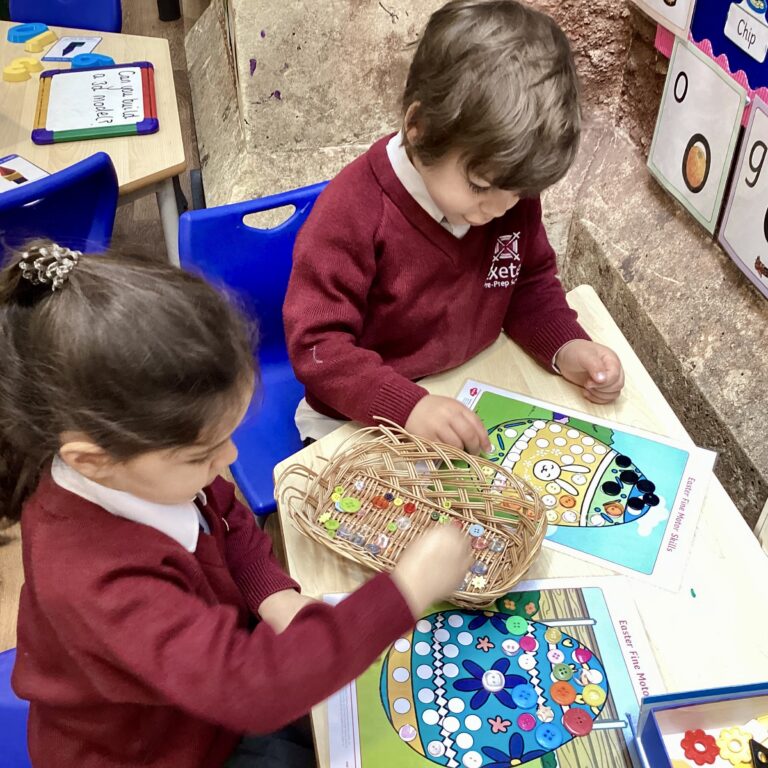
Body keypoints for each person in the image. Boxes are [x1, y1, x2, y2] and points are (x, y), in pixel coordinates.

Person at [1, 242, 473, 768]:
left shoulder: (143, 471)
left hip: (207, 695)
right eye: (202, 455)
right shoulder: (99, 584)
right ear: (92, 461)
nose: (228, 460)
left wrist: (273, 595)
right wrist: (405, 592)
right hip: (157, 750)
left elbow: (223, 517)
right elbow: (253, 690)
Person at [284, 0, 624, 454]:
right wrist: (408, 408)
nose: (499, 210)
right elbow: (317, 346)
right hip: (358, 417)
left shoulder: (506, 196)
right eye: (481, 186)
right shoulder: (351, 215)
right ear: (419, 128)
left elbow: (527, 283)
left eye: (517, 193)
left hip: (468, 389)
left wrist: (566, 347)